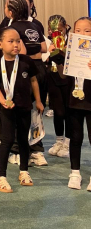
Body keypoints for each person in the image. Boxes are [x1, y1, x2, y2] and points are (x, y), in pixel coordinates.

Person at [0, 27, 44, 193]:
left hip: (25, 107)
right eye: (11, 41)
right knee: (6, 140)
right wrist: (2, 101)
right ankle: (0, 177)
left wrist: (39, 101)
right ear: (0, 44)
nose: (16, 44)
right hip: (7, 109)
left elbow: (33, 81)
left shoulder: (26, 61)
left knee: (23, 140)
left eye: (18, 41)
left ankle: (24, 171)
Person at [3, 0, 48, 166]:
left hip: (23, 71)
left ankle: (17, 151)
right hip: (40, 69)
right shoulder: (35, 26)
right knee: (37, 110)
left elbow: (20, 52)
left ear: (11, 12)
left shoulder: (12, 28)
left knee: (19, 110)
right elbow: (43, 47)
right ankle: (37, 150)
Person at [64, 17, 91, 191]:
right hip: (74, 101)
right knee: (75, 137)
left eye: (87, 31)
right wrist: (55, 53)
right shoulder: (69, 49)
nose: (82, 34)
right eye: (78, 30)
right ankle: (75, 172)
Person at [46, 14, 71, 158]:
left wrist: (65, 51)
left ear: (66, 27)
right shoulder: (47, 42)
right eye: (52, 30)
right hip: (53, 79)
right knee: (57, 111)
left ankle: (67, 143)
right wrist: (48, 53)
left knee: (68, 112)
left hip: (68, 81)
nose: (55, 33)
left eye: (59, 30)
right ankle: (58, 141)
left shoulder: (71, 41)